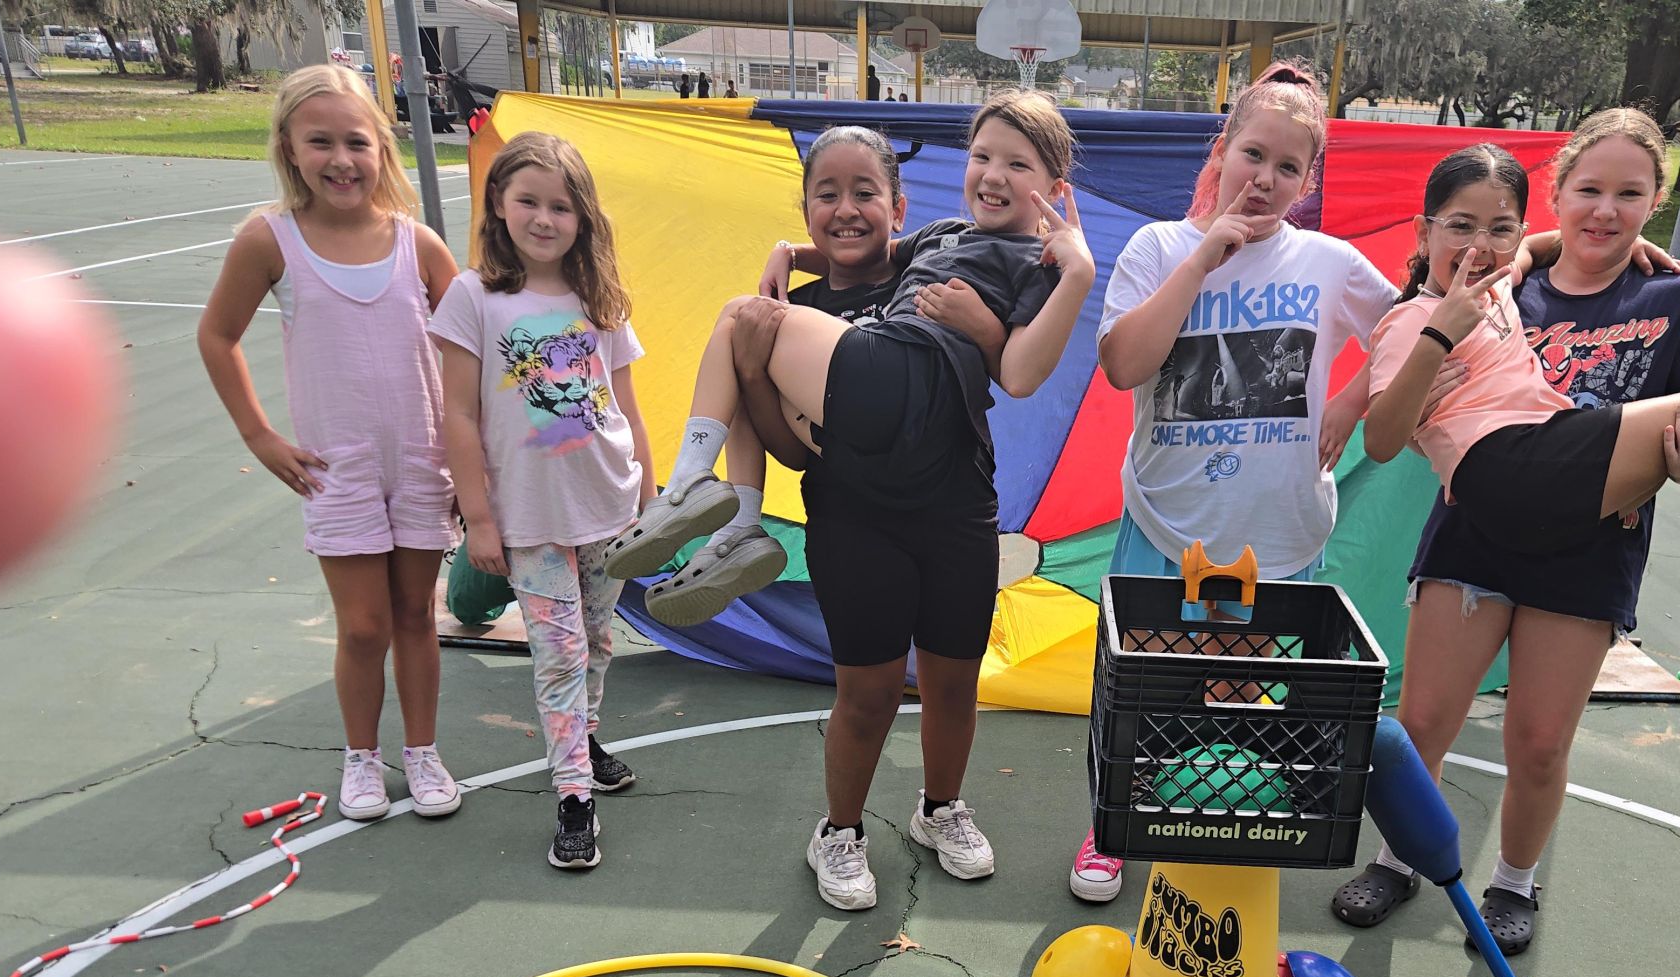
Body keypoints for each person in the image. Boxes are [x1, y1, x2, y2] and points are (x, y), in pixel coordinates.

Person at [1346, 137, 1680, 950]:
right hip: (1496, 502)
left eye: (1629, 195)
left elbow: (1504, 241)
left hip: (1582, 532)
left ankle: (1515, 882)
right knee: (1424, 722)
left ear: (1656, 203)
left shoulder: (1670, 297)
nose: (1606, 210)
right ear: (1561, 194)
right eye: (1589, 191)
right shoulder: (1477, 296)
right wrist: (1461, 308)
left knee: (1541, 744)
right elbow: (1388, 418)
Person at [610, 91, 1093, 910]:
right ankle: (839, 829)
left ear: (896, 207)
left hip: (953, 504)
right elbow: (794, 448)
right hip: (856, 514)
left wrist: (1018, 301)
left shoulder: (950, 254)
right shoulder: (801, 313)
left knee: (954, 682)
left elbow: (1014, 366)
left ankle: (942, 808)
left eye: (865, 193)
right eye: (982, 156)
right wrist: (785, 266)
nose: (846, 210)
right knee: (865, 694)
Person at [1063, 63, 1392, 904]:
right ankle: (1111, 826)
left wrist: (1352, 398)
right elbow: (1123, 365)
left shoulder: (1329, 262)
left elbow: (1411, 331)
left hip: (1274, 534)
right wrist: (1205, 256)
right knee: (1145, 693)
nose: (1266, 178)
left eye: (1288, 166)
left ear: (1307, 182)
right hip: (1167, 523)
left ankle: (1220, 821)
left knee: (1242, 704)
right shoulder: (1159, 248)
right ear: (1222, 150)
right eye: (1253, 154)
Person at [197, 63, 463, 825]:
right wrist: (259, 434)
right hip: (335, 468)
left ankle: (422, 752)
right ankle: (361, 757)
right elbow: (217, 335)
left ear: (381, 148)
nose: (341, 160)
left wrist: (472, 458)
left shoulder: (417, 244)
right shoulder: (269, 239)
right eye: (321, 142)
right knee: (364, 626)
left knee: (415, 615)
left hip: (423, 461)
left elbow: (472, 347)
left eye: (356, 142)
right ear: (289, 146)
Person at [430, 133, 655, 871]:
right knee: (558, 656)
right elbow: (458, 414)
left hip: (607, 505)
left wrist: (650, 493)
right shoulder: (474, 298)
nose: (544, 218)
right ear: (499, 203)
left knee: (596, 640)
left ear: (582, 217)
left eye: (561, 206)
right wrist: (478, 517)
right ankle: (573, 797)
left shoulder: (600, 299)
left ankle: (583, 738)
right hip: (528, 519)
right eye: (528, 200)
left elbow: (626, 406)